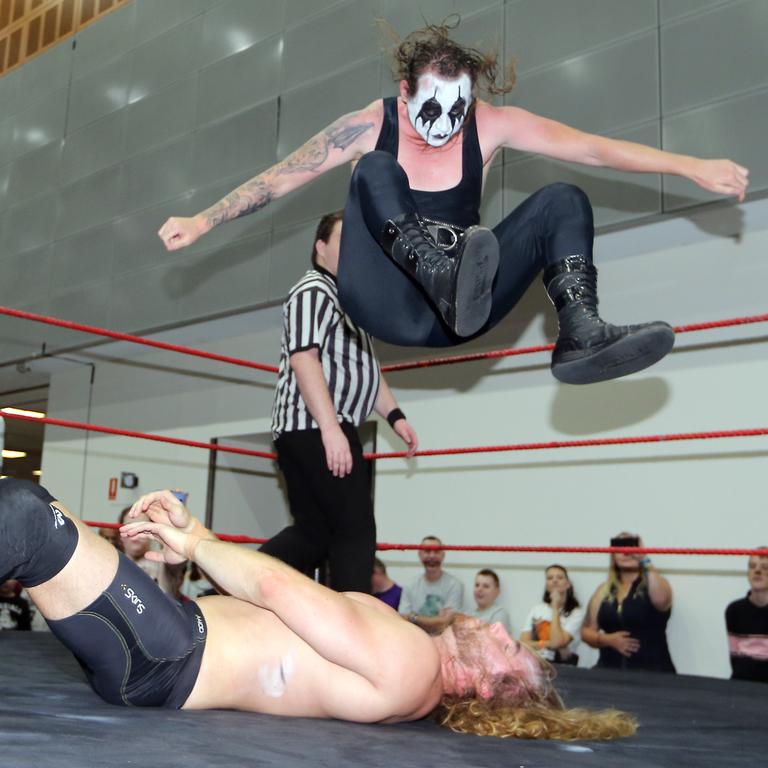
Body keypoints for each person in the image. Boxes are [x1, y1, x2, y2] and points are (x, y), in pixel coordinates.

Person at [157, 21, 748, 386]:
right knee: (376, 168)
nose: (443, 127)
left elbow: (591, 150)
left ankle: (580, 331)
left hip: (460, 314)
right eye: (430, 110)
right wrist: (202, 219)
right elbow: (282, 178)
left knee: (563, 199)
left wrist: (691, 165)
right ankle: (440, 273)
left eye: (458, 112)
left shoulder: (491, 126)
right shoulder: (370, 125)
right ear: (403, 94)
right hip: (385, 303)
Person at [0, 478, 635, 739]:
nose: (501, 629)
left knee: (28, 518)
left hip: (169, 656)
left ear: (484, 685)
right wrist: (189, 543)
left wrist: (195, 541)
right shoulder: (410, 647)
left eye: (509, 648)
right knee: (30, 520)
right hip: (172, 641)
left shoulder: (414, 662)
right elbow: (269, 614)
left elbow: (280, 591)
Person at [261, 212, 418, 593]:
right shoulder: (314, 289)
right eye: (344, 241)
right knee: (356, 530)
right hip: (314, 425)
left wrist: (395, 417)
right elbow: (303, 357)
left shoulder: (349, 302)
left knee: (314, 535)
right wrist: (331, 430)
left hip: (317, 426)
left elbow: (366, 369)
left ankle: (228, 585)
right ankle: (354, 624)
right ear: (321, 248)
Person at [581, 533, 675, 672]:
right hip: (610, 672)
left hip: (653, 672)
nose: (626, 553)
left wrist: (645, 559)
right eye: (619, 548)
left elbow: (662, 601)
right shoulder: (603, 590)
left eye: (631, 546)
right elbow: (586, 630)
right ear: (613, 556)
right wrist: (606, 639)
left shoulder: (654, 584)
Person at [520, 564, 584, 665]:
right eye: (550, 578)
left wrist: (555, 607)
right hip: (535, 663)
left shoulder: (576, 613)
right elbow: (523, 643)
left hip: (562, 666)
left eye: (559, 577)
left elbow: (557, 642)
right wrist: (548, 644)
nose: (554, 580)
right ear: (546, 585)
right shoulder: (537, 609)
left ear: (568, 584)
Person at [400, 535, 464, 633]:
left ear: (443, 555)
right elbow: (403, 619)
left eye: (436, 551)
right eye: (427, 551)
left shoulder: (454, 584)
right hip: (415, 640)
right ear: (420, 554)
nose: (432, 556)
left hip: (444, 643)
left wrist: (414, 617)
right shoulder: (410, 585)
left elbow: (444, 623)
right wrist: (436, 620)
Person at [725, 549, 768, 683]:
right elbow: (736, 659)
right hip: (741, 687)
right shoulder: (734, 610)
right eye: (752, 566)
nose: (757, 571)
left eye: (765, 567)